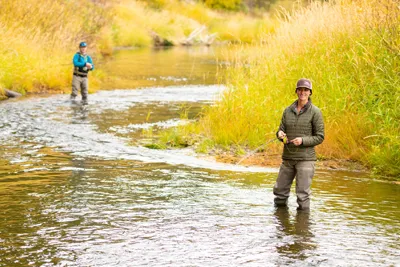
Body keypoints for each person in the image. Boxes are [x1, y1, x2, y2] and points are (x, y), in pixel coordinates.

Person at [273, 78, 324, 210]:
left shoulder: (315, 112)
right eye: (300, 89)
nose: (303, 92)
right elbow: (281, 129)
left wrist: (303, 140)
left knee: (302, 195)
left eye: (306, 90)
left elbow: (320, 137)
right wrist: (280, 134)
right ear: (296, 91)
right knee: (279, 193)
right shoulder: (287, 111)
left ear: (310, 93)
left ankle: (302, 228)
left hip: (306, 159)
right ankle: (281, 226)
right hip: (288, 159)